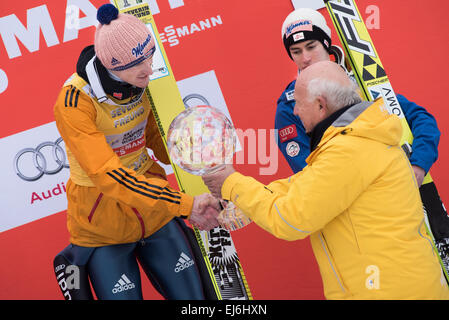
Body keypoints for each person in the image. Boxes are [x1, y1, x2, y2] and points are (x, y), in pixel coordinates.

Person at [203, 61, 449, 299]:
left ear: (321, 105)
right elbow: (306, 185)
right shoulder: (356, 137)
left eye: (298, 104)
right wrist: (243, 200)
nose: (295, 112)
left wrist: (232, 183)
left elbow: (291, 219)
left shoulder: (347, 148)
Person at [53, 4, 220, 300]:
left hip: (154, 211)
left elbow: (159, 139)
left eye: (149, 55)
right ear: (110, 65)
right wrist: (184, 204)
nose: (147, 67)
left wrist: (206, 165)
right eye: (135, 63)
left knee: (197, 301)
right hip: (102, 228)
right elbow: (108, 175)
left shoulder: (145, 79)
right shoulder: (74, 101)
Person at [275, 8, 440, 187]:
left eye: (311, 46)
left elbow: (421, 118)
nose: (305, 58)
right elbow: (310, 174)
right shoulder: (291, 105)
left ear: (325, 44)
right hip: (359, 201)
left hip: (406, 184)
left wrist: (418, 165)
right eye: (296, 51)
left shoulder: (360, 80)